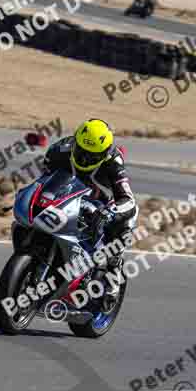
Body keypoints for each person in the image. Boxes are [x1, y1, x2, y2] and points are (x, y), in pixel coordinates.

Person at [42, 119, 138, 299]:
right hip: (65, 199)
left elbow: (127, 198)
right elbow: (43, 181)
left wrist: (110, 212)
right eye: (80, 152)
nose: (84, 159)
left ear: (103, 154)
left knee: (126, 221)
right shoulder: (59, 150)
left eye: (91, 157)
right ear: (76, 142)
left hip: (99, 205)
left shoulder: (113, 161)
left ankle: (114, 271)